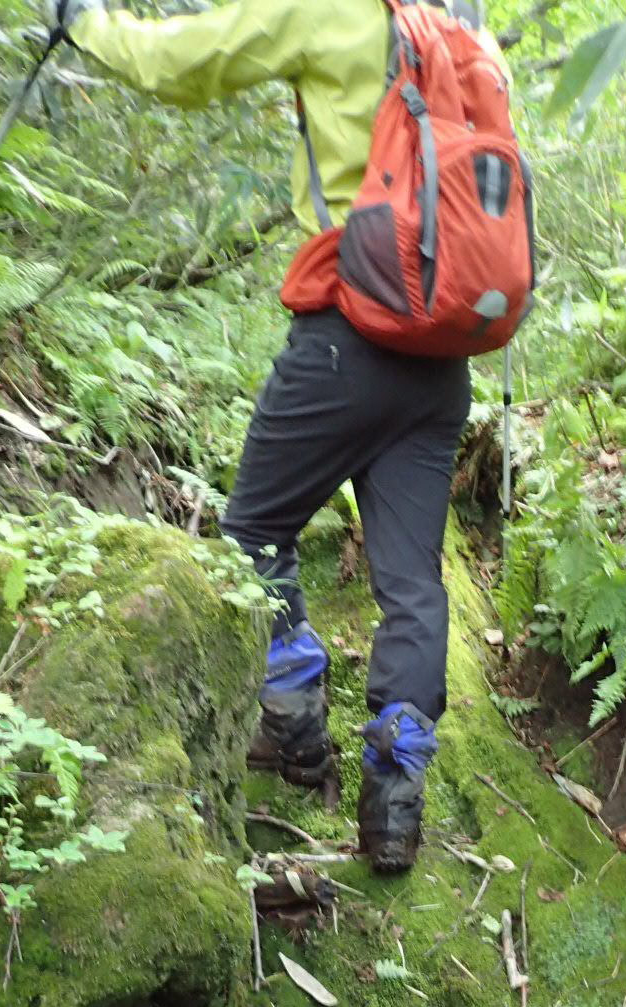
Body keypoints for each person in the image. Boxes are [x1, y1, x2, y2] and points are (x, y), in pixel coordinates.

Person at [50, 0, 496, 871]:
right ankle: (395, 808)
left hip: (345, 334)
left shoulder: (326, 14)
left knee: (253, 531)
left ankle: (293, 726)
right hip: (442, 359)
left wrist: (86, 25)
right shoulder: (457, 37)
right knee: (411, 583)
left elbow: (182, 62)